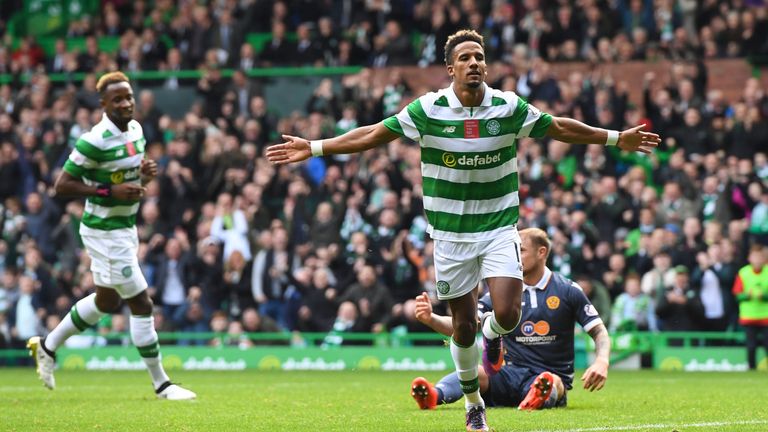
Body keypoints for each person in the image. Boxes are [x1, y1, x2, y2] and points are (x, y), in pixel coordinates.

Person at [266, 30, 658, 431]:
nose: (474, 63)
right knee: (464, 327)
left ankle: (494, 336)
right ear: (450, 68)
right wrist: (315, 147)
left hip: (497, 226)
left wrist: (614, 139)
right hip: (450, 236)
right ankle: (474, 407)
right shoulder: (429, 109)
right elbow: (372, 134)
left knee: (506, 314)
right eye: (466, 58)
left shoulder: (507, 106)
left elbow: (558, 126)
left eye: (480, 57)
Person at [27, 71, 195, 400]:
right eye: (117, 99)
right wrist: (107, 189)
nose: (126, 103)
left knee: (107, 301)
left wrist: (144, 177)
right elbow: (61, 186)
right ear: (103, 104)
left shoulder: (137, 130)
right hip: (104, 231)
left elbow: (129, 186)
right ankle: (162, 384)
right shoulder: (94, 140)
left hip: (125, 226)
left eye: (129, 96)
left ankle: (47, 346)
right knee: (141, 302)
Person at [409, 228, 610, 412]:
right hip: (509, 374)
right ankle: (434, 395)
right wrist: (431, 319)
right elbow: (465, 327)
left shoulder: (567, 290)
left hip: (550, 374)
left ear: (541, 253)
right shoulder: (503, 294)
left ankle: (539, 395)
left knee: (551, 381)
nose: (515, 256)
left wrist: (601, 360)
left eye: (520, 250)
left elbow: (599, 331)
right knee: (476, 372)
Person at [732, 245, 768, 370]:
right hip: (749, 316)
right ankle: (751, 367)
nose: (757, 260)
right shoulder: (744, 273)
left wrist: (763, 296)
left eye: (760, 257)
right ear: (749, 258)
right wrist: (748, 295)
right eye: (755, 257)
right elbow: (737, 294)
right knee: (751, 345)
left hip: (765, 316)